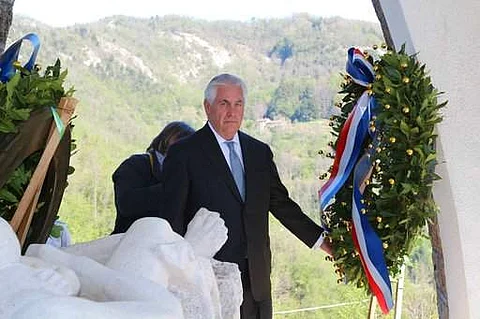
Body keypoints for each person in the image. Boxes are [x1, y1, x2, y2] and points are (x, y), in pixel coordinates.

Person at [161, 73, 332, 319]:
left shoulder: (259, 153)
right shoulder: (184, 154)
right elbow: (171, 220)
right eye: (224, 103)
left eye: (238, 104)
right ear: (207, 107)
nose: (232, 111)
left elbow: (281, 205)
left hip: (257, 280)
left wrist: (321, 240)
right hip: (210, 280)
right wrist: (176, 278)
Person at [111, 121, 195, 234]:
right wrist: (173, 187)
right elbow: (126, 204)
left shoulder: (183, 174)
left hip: (165, 246)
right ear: (165, 139)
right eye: (180, 141)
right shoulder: (135, 164)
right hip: (130, 243)